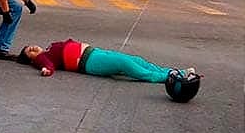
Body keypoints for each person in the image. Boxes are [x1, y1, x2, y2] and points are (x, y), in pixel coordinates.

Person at [15, 39, 201, 102]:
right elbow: (48, 66)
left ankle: (176, 72)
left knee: (135, 60)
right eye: (29, 52)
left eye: (30, 46)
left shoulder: (47, 50)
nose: (32, 48)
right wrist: (45, 69)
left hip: (94, 52)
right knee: (128, 66)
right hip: (89, 61)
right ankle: (170, 77)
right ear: (31, 59)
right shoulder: (41, 59)